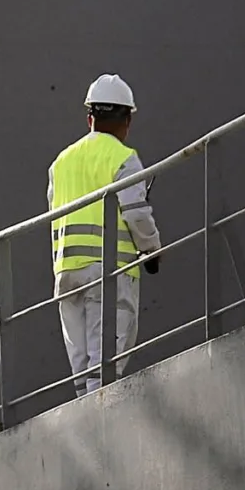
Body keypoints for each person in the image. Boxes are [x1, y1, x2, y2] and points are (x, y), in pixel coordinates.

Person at [49, 74, 163, 394]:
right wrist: (152, 250)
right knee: (106, 366)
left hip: (66, 275)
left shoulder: (60, 163)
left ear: (90, 118)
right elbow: (137, 213)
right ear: (127, 120)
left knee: (82, 370)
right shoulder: (123, 158)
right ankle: (101, 428)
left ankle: (89, 421)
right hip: (108, 273)